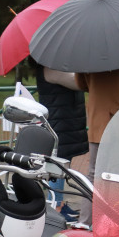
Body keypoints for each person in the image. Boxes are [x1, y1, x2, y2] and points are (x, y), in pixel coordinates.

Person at [28, 56, 88, 222]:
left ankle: (58, 203)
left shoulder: (54, 65)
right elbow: (78, 82)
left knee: (60, 163)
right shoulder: (51, 68)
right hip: (59, 121)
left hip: (65, 121)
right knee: (55, 164)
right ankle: (56, 207)